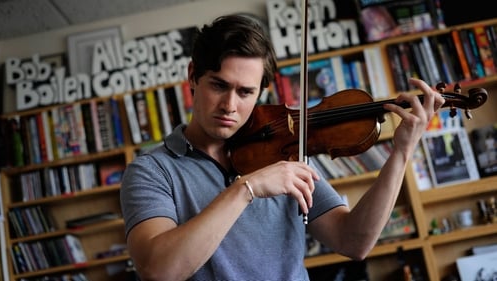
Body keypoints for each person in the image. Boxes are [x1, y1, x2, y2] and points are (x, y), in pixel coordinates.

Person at [120, 14, 445, 281]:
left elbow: (353, 241)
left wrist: (401, 152)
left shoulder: (283, 151)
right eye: (219, 85)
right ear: (193, 76)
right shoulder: (152, 171)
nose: (229, 106)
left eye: (245, 92)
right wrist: (246, 188)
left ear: (262, 91)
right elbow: (157, 270)